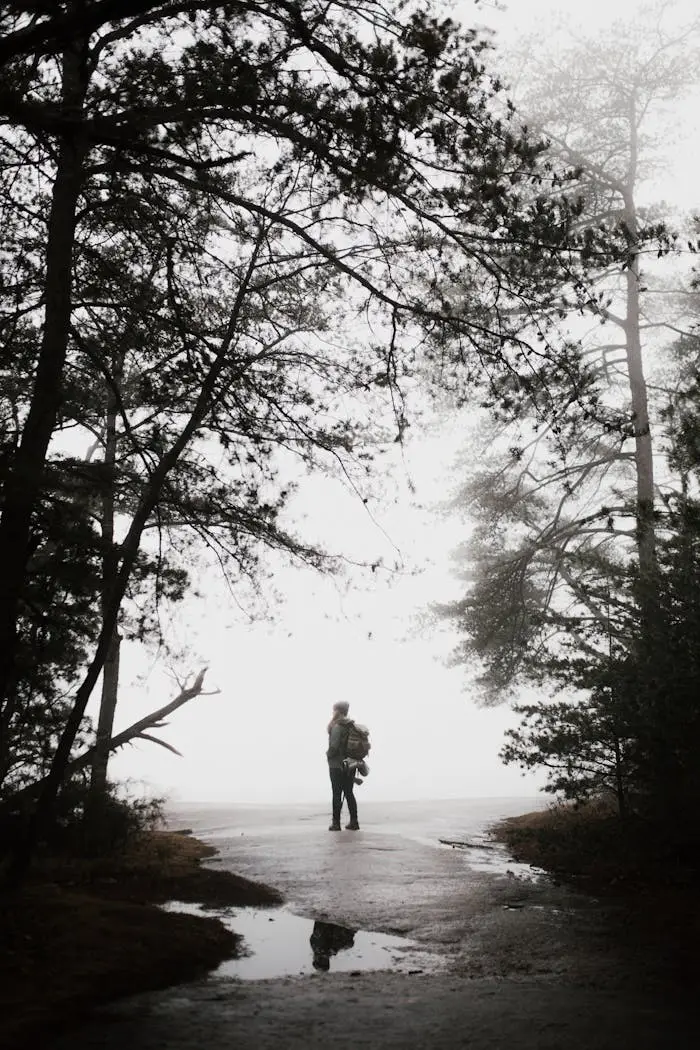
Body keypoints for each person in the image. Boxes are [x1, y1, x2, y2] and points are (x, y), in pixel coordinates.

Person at [326, 700, 360, 831]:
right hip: (350, 764)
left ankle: (336, 823)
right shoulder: (351, 726)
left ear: (337, 711)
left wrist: (328, 755)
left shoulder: (337, 726)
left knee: (336, 793)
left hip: (336, 765)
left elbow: (334, 747)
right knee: (349, 792)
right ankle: (354, 822)